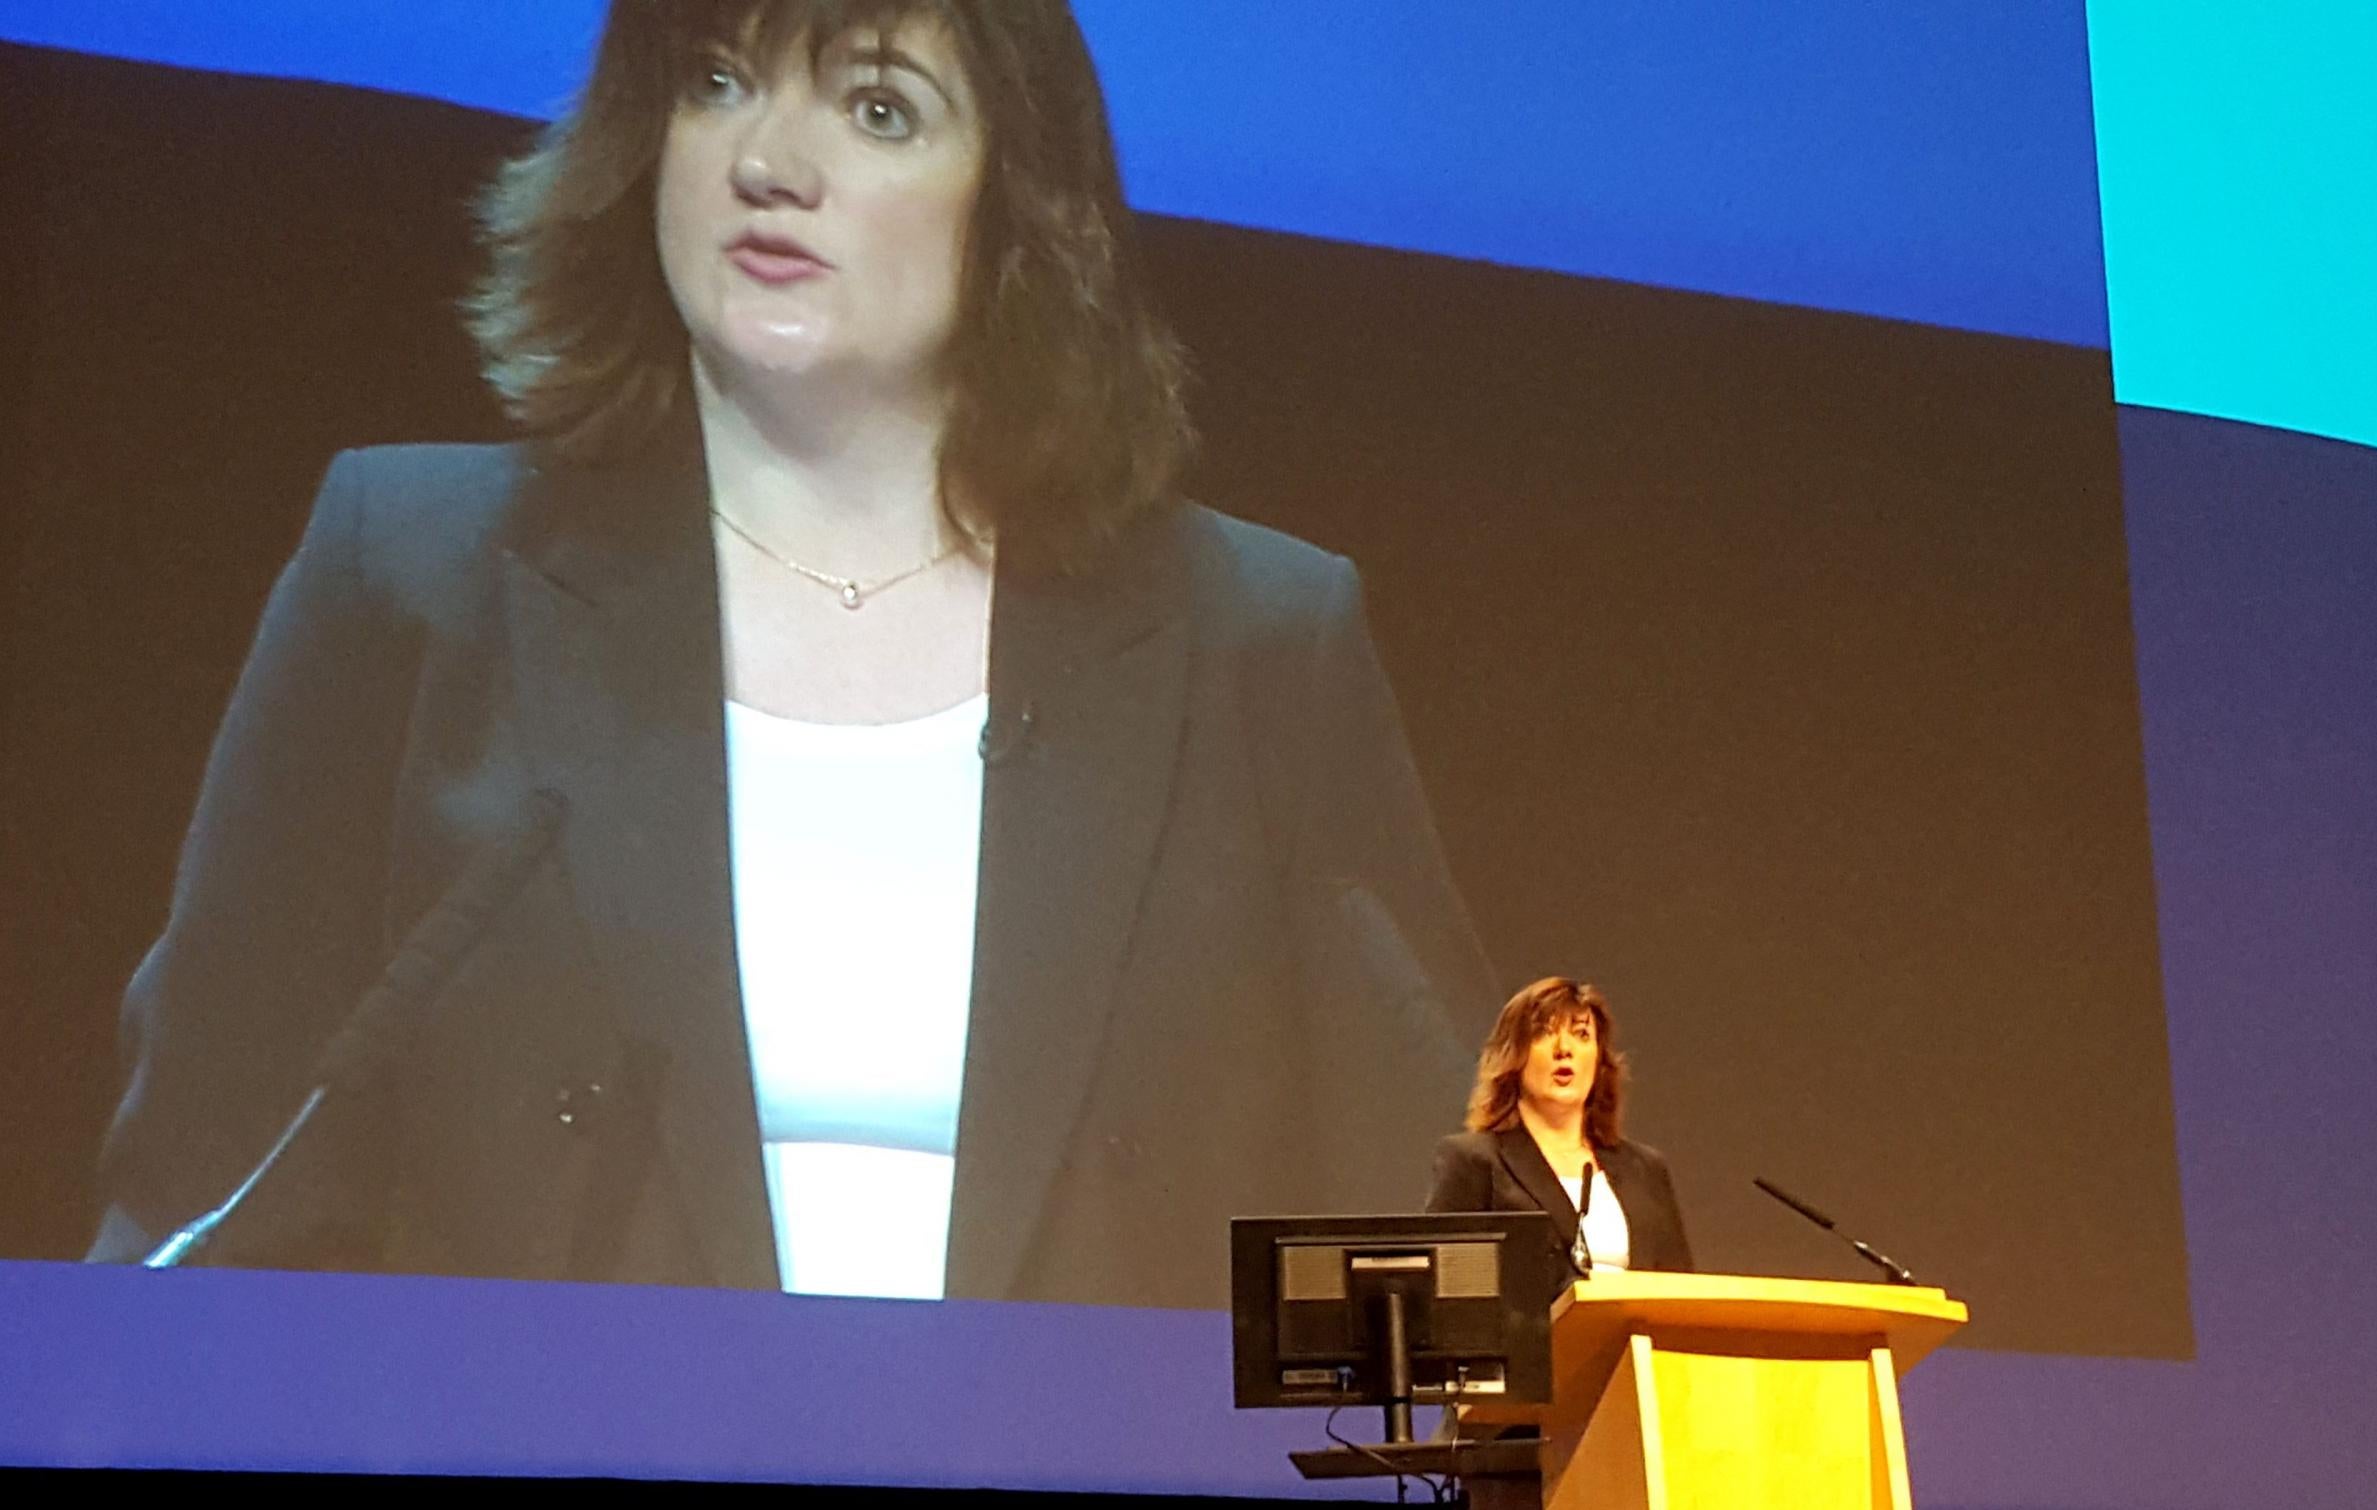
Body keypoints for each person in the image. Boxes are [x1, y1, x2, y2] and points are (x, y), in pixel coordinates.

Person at [86, 0, 1492, 1308]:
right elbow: (211, 1185)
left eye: (877, 111)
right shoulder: (409, 569)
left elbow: (1428, 1223)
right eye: (715, 85)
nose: (768, 160)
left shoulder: (1255, 635)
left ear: (1018, 204)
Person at [1426, 977, 1692, 1295]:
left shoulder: (1646, 1169)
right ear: (1516, 1056)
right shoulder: (1474, 1161)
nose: (1564, 1049)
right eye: (1545, 1033)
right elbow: (1444, 1291)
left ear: (1598, 1059)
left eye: (1581, 1035)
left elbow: (1682, 1292)